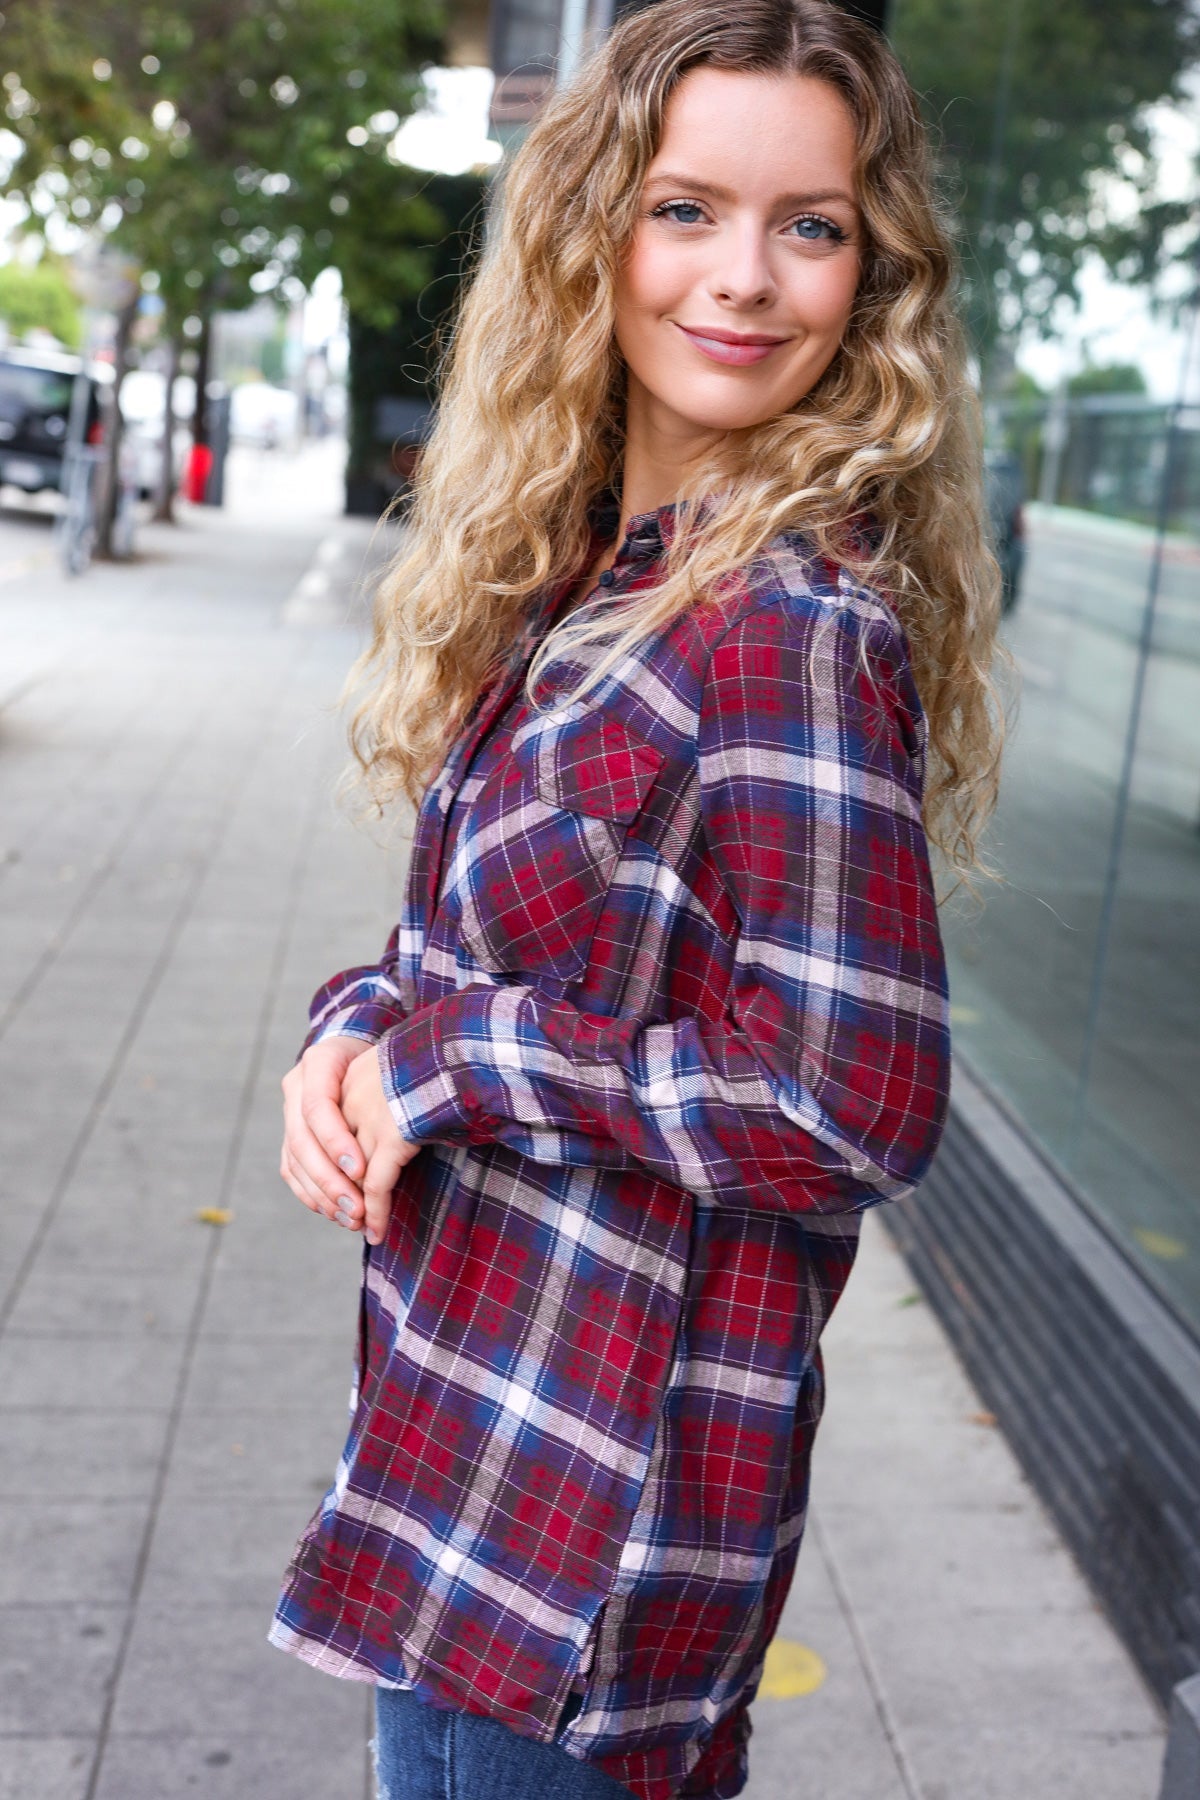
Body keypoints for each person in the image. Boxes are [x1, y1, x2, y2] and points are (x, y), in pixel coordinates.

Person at [271, 2, 1002, 1796]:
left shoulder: (793, 624)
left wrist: (452, 1064)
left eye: (809, 226)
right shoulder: (596, 568)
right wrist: (352, 1032)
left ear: (869, 271)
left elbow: (852, 1098)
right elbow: (494, 943)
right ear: (593, 228)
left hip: (596, 1558)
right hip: (457, 1461)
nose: (744, 278)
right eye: (688, 210)